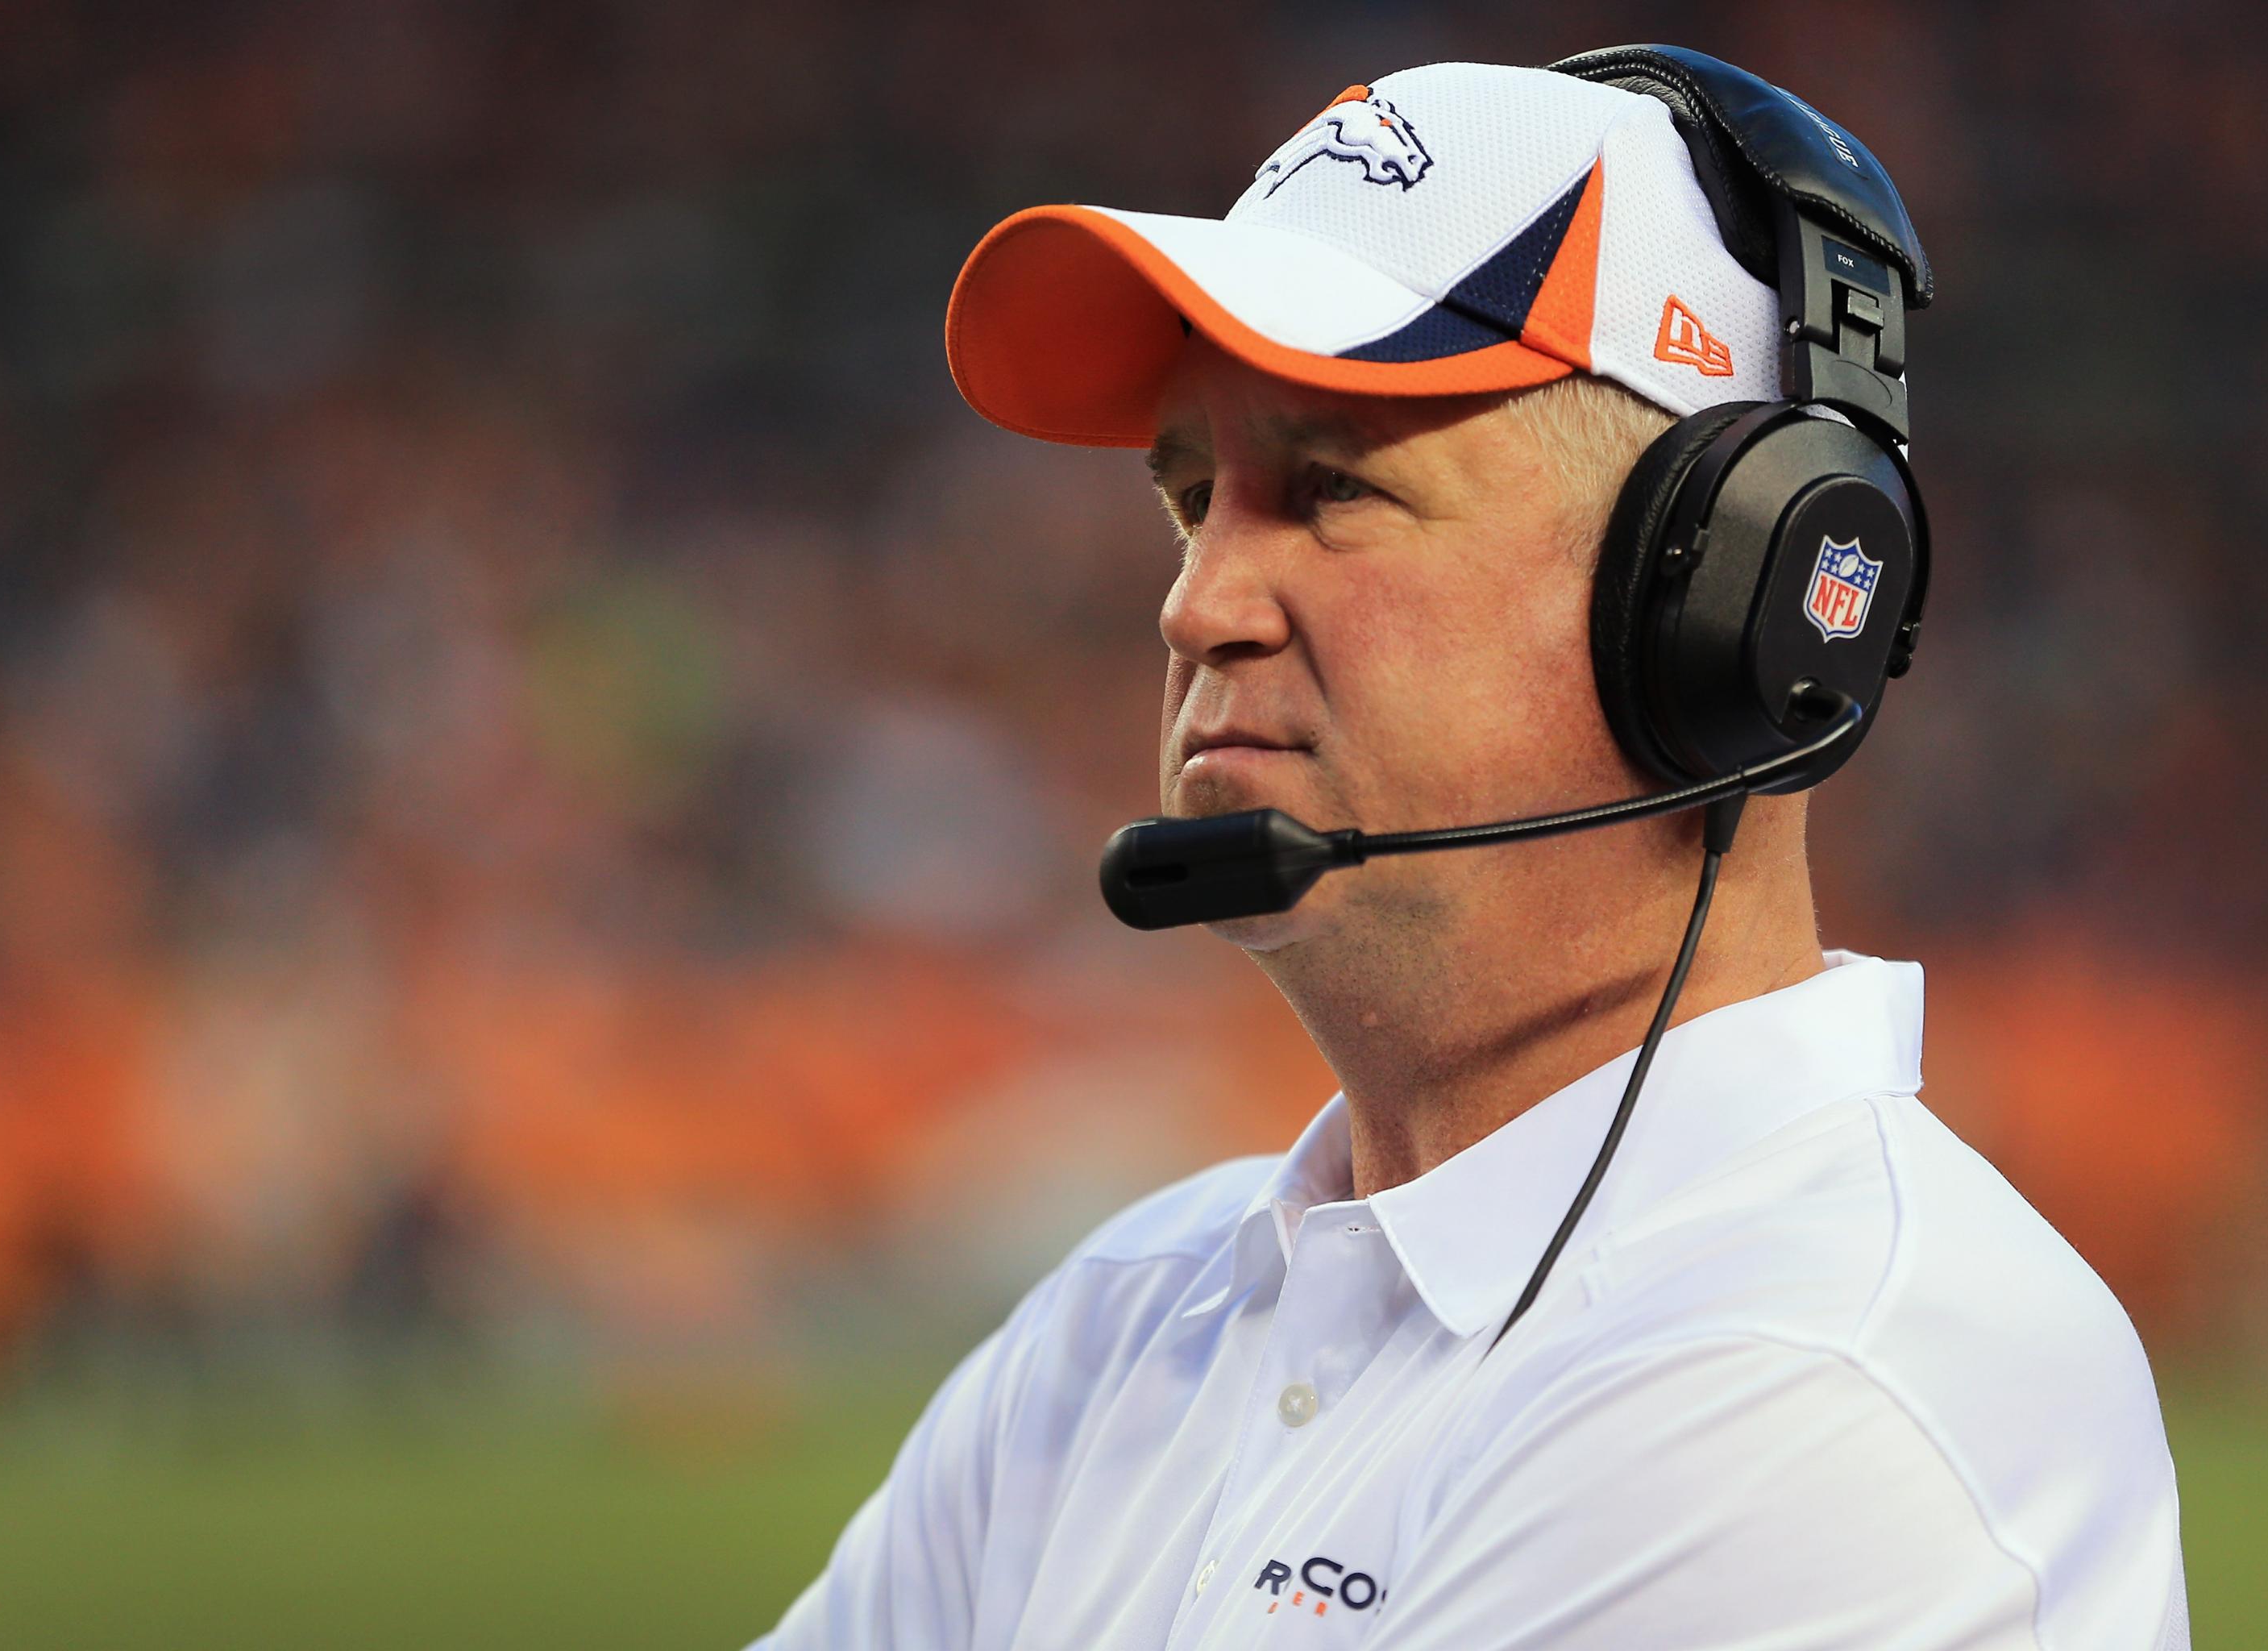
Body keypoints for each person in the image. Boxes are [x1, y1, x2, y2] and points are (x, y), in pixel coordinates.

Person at [756, 55, 2187, 1649]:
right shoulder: (1115, 1326)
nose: (1198, 601)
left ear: (1728, 600)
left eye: (1333, 488)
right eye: (1191, 498)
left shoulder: (1836, 1381)